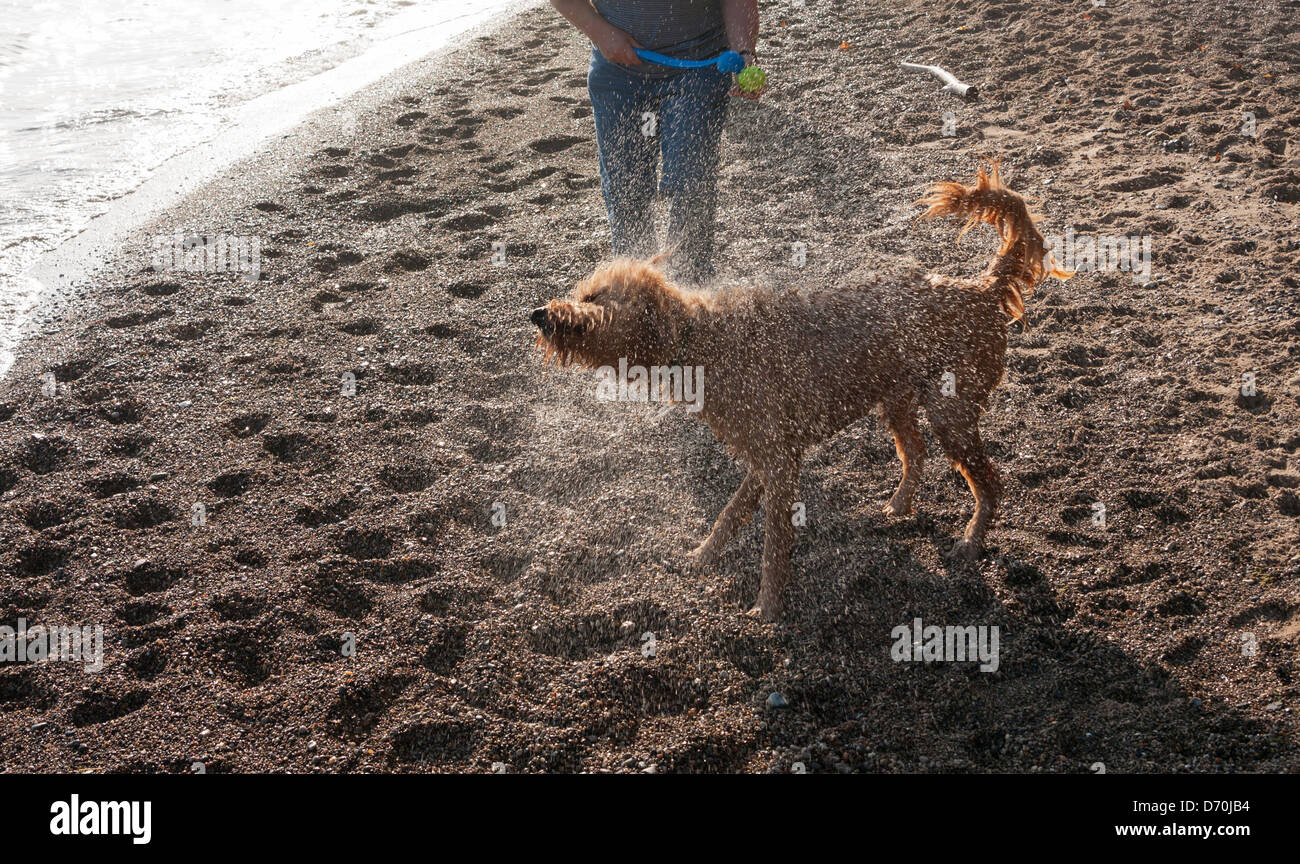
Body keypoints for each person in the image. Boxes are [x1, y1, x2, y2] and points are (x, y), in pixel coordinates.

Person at [549, 0, 761, 284]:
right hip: (618, 74)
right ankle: (637, 289)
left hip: (698, 69)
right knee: (626, 189)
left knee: (690, 183)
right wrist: (600, 32)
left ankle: (690, 286)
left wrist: (744, 52)